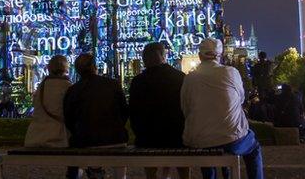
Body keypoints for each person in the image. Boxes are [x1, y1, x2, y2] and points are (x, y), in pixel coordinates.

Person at [181, 38, 263, 179]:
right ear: (219, 56)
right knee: (254, 148)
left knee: (205, 144)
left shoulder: (190, 78)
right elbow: (241, 99)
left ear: (200, 56)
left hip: (199, 140)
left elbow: (185, 109)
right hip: (232, 139)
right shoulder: (231, 73)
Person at [129, 42, 190, 179]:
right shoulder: (180, 77)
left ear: (145, 60)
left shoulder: (138, 81)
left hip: (147, 139)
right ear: (163, 56)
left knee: (149, 147)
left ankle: (152, 176)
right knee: (182, 158)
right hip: (177, 138)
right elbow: (188, 107)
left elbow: (133, 113)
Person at [64, 53, 129, 179]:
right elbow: (124, 111)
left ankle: (94, 171)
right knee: (119, 159)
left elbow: (69, 119)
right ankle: (120, 176)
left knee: (84, 143)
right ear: (94, 67)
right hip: (116, 138)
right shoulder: (113, 84)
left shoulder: (73, 90)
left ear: (77, 70)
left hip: (85, 139)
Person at [24, 55, 76, 178]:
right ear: (66, 69)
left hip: (36, 135)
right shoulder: (68, 86)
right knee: (76, 146)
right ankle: (73, 174)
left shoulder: (41, 87)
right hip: (59, 137)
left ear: (49, 68)